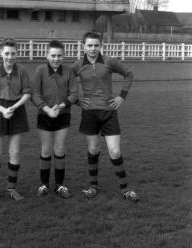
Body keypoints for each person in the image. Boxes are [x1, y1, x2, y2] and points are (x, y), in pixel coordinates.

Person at [72, 31, 139, 201]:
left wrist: (121, 96)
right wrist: (77, 101)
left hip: (109, 111)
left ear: (101, 45)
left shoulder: (109, 62)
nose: (93, 48)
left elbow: (129, 74)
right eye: (89, 45)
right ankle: (93, 186)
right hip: (89, 113)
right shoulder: (78, 65)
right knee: (93, 149)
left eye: (96, 45)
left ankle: (125, 190)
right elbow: (65, 83)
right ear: (83, 46)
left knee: (115, 152)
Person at [0, 38, 31, 202]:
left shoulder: (22, 70)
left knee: (14, 152)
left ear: (17, 54)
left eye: (13, 53)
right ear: (1, 53)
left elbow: (27, 93)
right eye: (7, 53)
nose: (10, 57)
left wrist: (14, 107)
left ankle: (12, 188)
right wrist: (3, 109)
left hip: (16, 110)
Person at [32, 40, 78, 199]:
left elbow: (74, 94)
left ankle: (60, 185)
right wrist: (47, 109)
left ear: (63, 56)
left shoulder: (69, 71)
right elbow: (35, 94)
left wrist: (60, 106)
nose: (56, 59)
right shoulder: (40, 71)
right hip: (44, 115)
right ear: (47, 55)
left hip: (62, 114)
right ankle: (43, 185)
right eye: (53, 55)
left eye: (59, 55)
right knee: (45, 149)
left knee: (59, 148)